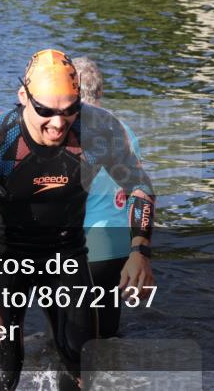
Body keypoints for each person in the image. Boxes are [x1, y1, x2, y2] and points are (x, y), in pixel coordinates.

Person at [0, 49, 155, 391]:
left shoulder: (98, 131)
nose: (58, 124)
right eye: (45, 112)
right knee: (3, 371)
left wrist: (139, 250)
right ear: (23, 96)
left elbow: (140, 186)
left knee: (80, 365)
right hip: (3, 257)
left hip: (66, 254)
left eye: (70, 111)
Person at [72, 56, 140, 339]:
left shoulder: (70, 132)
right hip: (119, 247)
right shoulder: (125, 129)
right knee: (109, 332)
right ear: (100, 90)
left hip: (83, 247)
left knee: (71, 336)